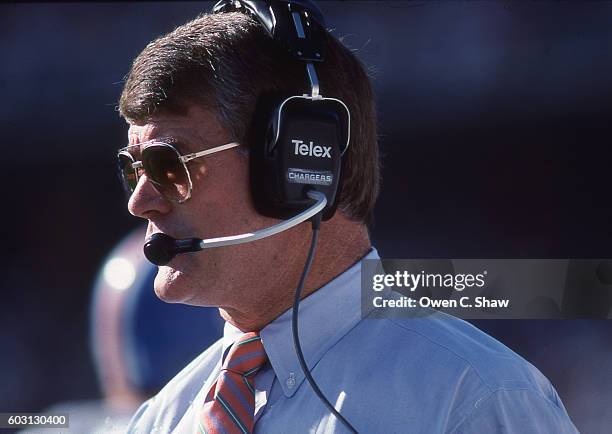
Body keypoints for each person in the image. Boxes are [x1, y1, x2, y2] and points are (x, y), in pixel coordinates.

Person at [118, 3, 578, 433]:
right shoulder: (160, 420)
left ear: (300, 165)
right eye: (132, 168)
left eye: (168, 164)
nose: (140, 201)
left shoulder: (473, 398)